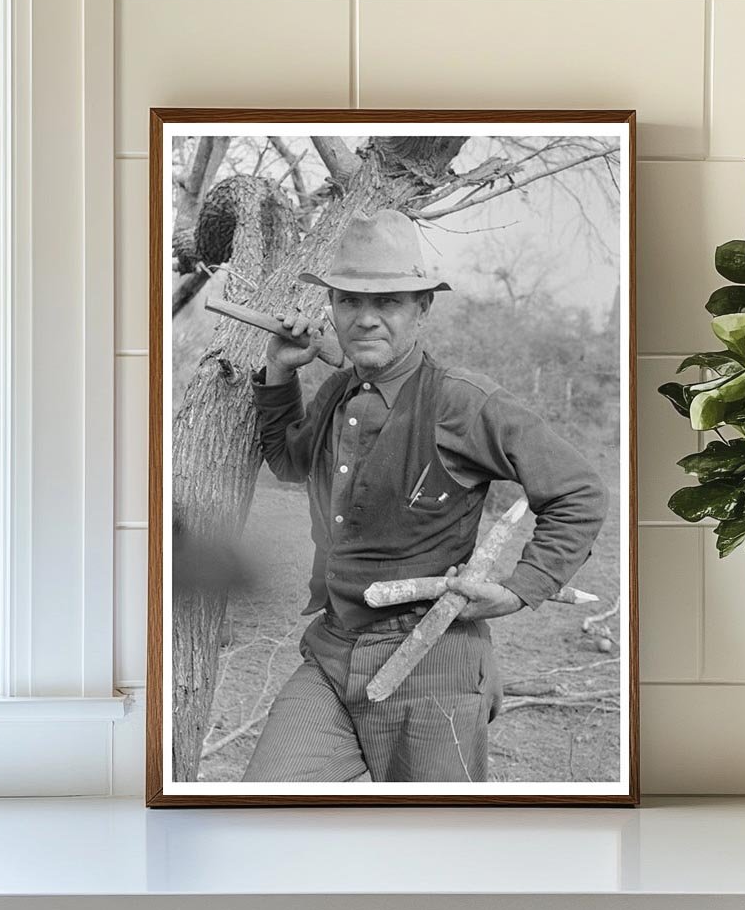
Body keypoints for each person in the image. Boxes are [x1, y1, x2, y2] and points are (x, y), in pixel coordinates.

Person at [242, 208, 609, 783]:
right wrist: (280, 371)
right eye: (349, 302)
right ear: (331, 309)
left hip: (432, 659)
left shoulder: (463, 402)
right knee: (264, 813)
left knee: (435, 847)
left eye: (386, 303)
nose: (364, 320)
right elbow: (290, 464)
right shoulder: (340, 390)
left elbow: (578, 491)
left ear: (422, 309)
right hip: (331, 652)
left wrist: (520, 589)